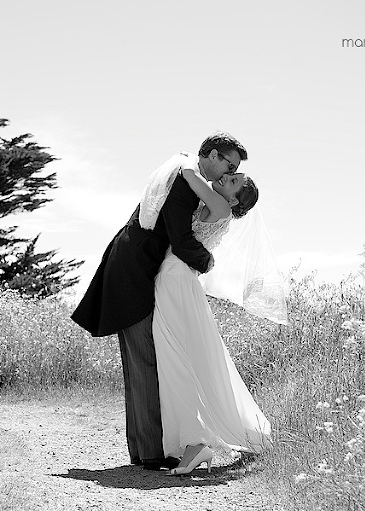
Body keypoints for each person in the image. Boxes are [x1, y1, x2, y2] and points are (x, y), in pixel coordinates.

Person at [71, 132, 247, 470]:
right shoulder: (185, 181)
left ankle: (143, 450)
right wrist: (207, 263)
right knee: (146, 361)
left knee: (141, 362)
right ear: (210, 155)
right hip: (134, 273)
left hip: (135, 269)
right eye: (229, 163)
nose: (228, 172)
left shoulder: (185, 172)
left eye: (235, 170)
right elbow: (181, 240)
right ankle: (150, 452)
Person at [152, 167, 280, 476]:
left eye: (233, 180)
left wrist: (183, 160)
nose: (225, 177)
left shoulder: (221, 206)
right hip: (176, 278)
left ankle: (196, 444)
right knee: (178, 361)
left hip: (176, 278)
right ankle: (195, 444)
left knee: (175, 362)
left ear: (236, 202)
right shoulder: (216, 205)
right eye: (230, 175)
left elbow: (187, 173)